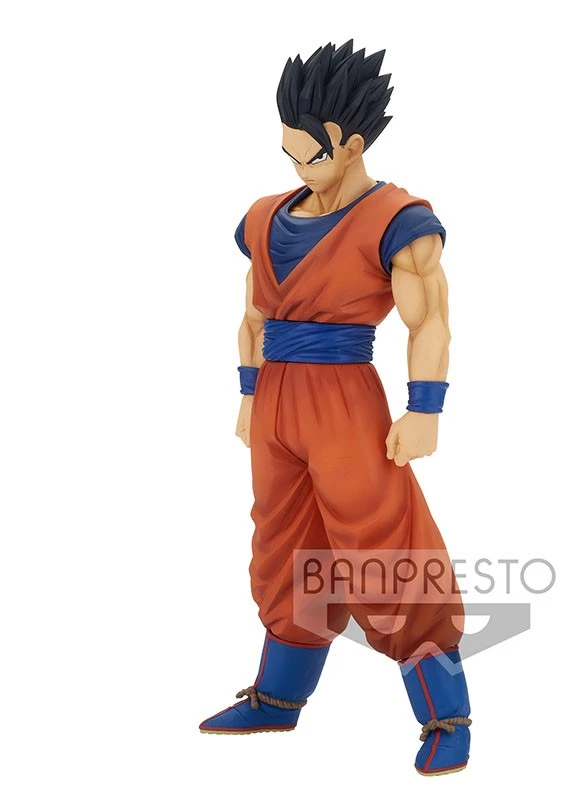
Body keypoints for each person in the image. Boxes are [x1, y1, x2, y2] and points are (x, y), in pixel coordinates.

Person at [199, 40, 471, 776]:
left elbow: (430, 320)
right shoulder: (265, 217)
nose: (298, 169)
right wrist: (249, 393)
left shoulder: (397, 219)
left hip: (344, 398)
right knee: (283, 542)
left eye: (311, 155)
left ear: (350, 144)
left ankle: (446, 714)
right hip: (276, 400)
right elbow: (253, 315)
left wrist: (425, 408)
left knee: (386, 545)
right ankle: (278, 698)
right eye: (287, 153)